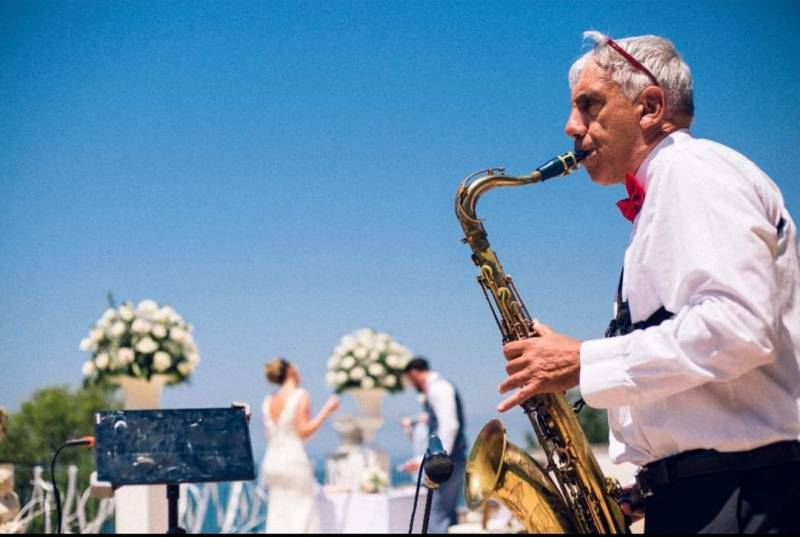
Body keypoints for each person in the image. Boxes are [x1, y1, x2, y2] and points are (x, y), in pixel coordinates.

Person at [496, 31, 800, 534]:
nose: (571, 126)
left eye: (589, 105)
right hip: (714, 492)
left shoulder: (692, 169)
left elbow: (739, 328)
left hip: (739, 494)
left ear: (650, 107)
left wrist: (583, 361)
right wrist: (654, 485)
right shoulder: (667, 189)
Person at [259, 357, 339, 533]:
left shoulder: (268, 401)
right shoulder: (300, 395)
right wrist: (327, 410)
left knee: (278, 511)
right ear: (289, 371)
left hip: (272, 461)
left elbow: (268, 436)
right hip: (293, 460)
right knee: (301, 510)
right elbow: (304, 431)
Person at [401, 357, 467, 534]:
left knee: (436, 517)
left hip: (447, 461)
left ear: (414, 373)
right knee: (445, 514)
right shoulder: (438, 387)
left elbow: (449, 426)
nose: (411, 384)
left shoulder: (439, 388)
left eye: (410, 379)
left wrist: (437, 460)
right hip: (452, 458)